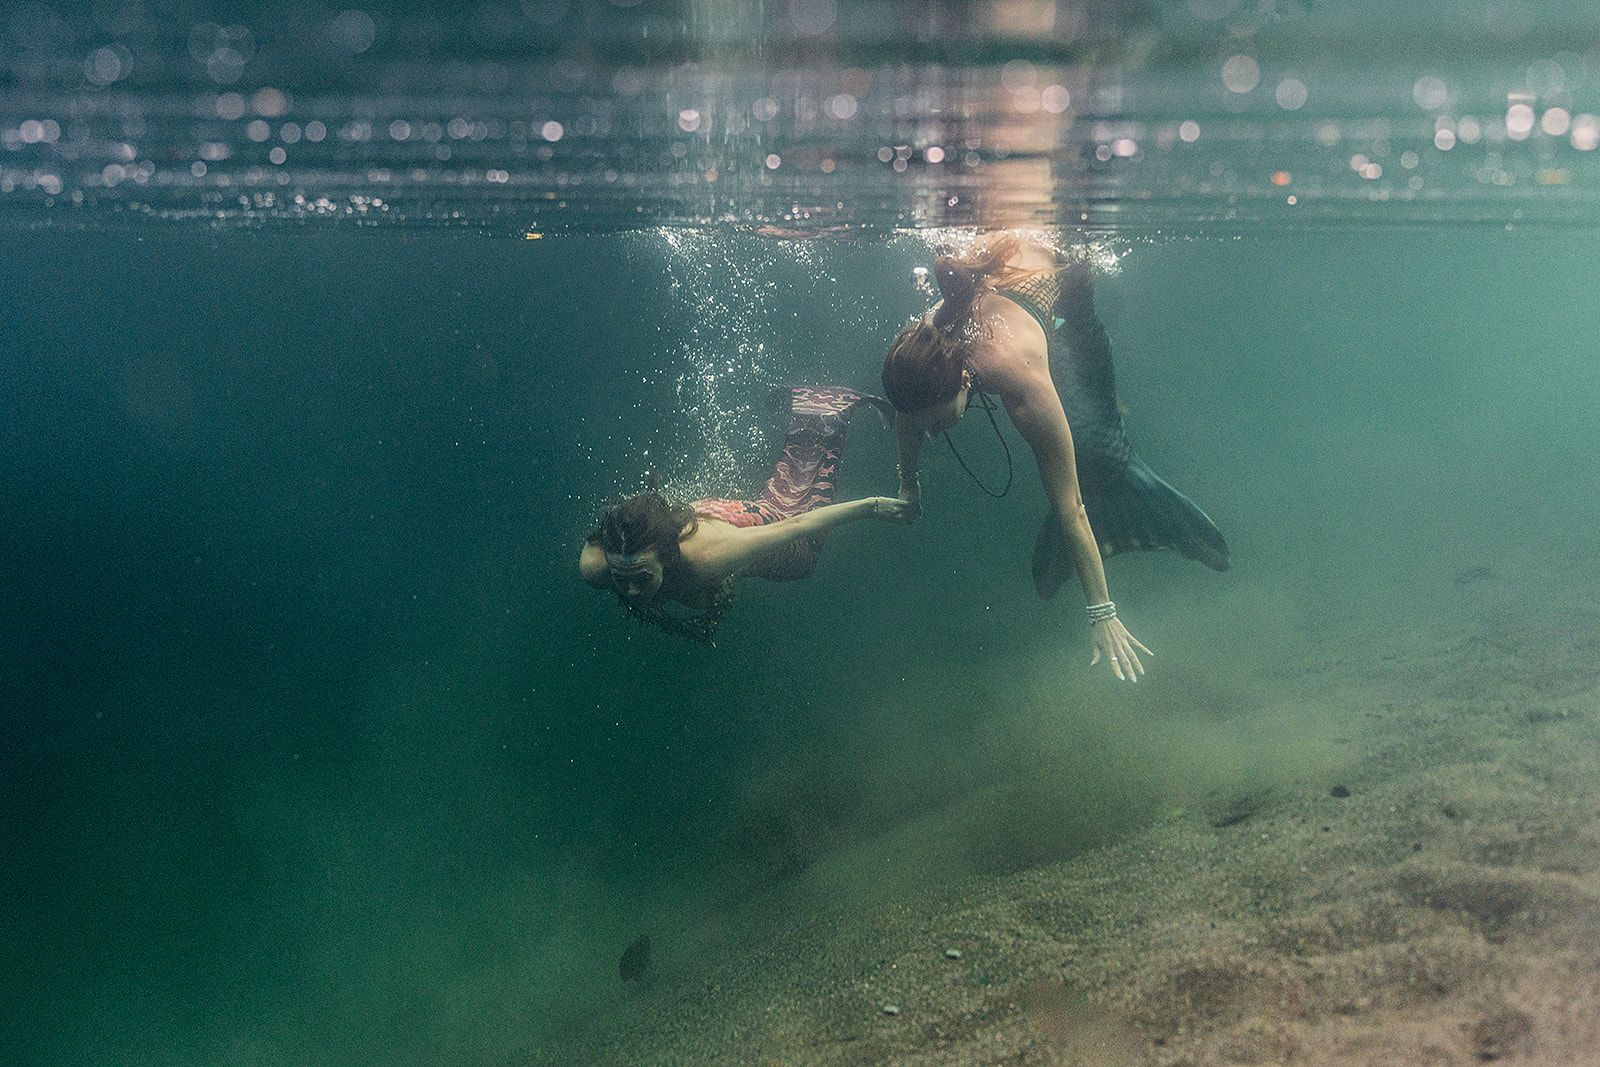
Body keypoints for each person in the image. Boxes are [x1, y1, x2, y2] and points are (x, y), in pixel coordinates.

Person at [882, 232, 1229, 682]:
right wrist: (908, 482)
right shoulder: (918, 357)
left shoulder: (1016, 370)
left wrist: (1102, 612)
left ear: (966, 382)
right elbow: (908, 419)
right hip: (1014, 274)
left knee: (1093, 453)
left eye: (939, 421)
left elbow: (1071, 506)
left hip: (1066, 280)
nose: (930, 431)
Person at [580, 386, 912, 644]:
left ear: (668, 556)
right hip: (698, 514)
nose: (631, 591)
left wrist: (872, 506)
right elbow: (626, 520)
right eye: (622, 580)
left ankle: (830, 408)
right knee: (782, 496)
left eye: (641, 579)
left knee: (804, 548)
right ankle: (810, 410)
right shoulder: (601, 565)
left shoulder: (709, 558)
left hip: (736, 523)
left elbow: (798, 526)